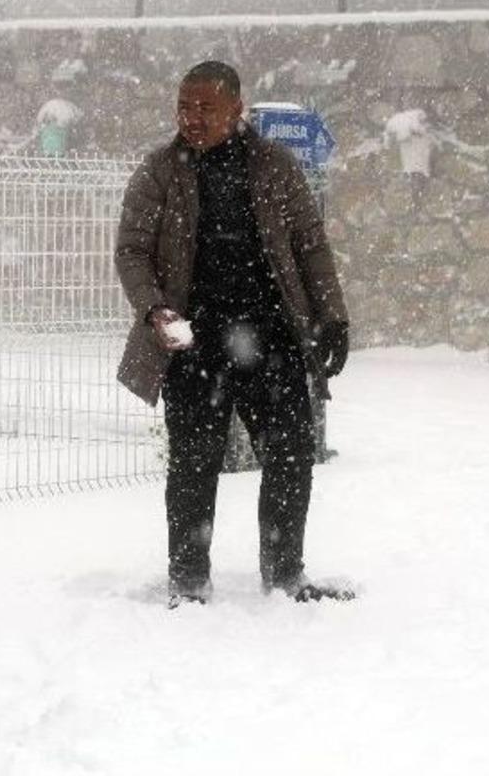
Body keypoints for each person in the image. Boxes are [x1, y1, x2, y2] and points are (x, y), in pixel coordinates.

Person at [114, 61, 351, 608]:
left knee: (290, 456)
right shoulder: (159, 172)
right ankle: (189, 582)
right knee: (194, 464)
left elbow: (310, 245)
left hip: (271, 341)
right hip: (193, 345)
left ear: (236, 109)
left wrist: (332, 317)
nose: (191, 118)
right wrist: (154, 310)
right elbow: (132, 252)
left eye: (205, 107)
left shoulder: (273, 166)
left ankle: (285, 576)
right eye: (184, 106)